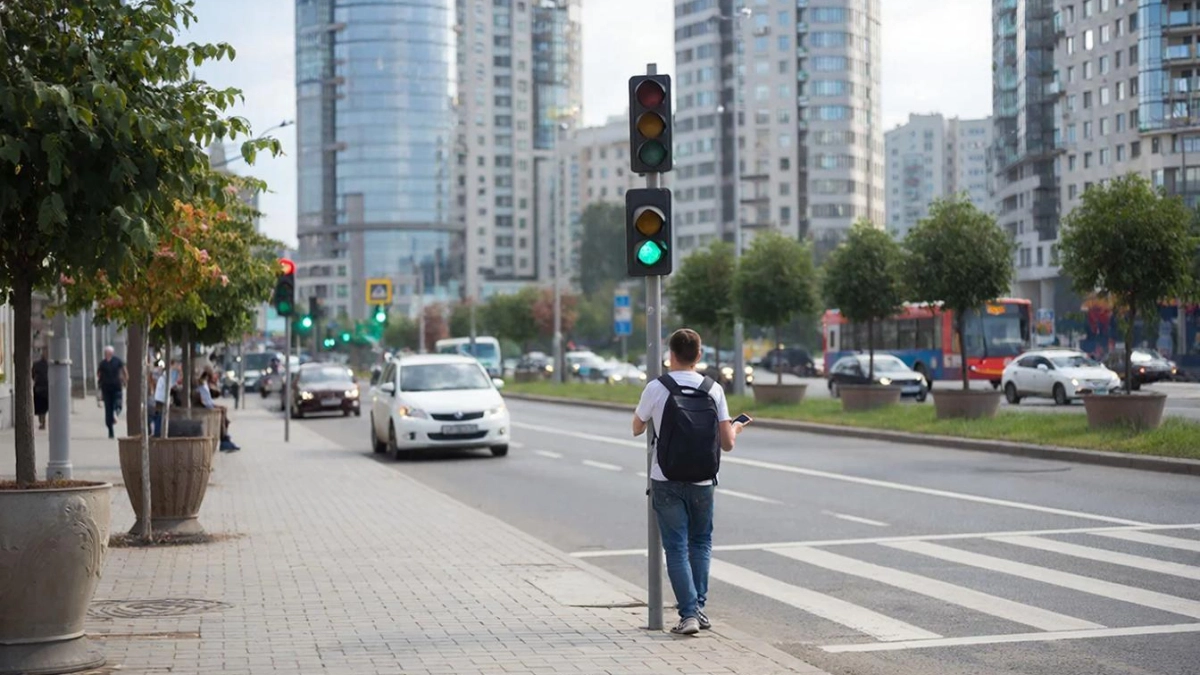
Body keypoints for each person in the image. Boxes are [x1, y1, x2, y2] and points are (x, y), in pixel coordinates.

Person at [632, 328, 746, 636]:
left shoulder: (657, 387)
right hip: (702, 480)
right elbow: (727, 444)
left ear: (671, 354)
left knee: (676, 548)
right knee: (700, 543)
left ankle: (689, 614)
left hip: (666, 478)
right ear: (698, 355)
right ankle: (699, 610)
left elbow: (636, 427)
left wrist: (650, 415)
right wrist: (735, 428)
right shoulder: (714, 389)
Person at [196, 367, 240, 452]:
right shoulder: (202, 385)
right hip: (207, 407)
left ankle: (225, 433)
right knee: (222, 411)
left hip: (208, 404)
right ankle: (224, 438)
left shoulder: (205, 384)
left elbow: (213, 395)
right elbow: (207, 401)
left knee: (224, 410)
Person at [96, 345, 127, 439]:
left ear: (112, 353)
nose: (107, 354)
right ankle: (110, 430)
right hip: (106, 388)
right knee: (108, 409)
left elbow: (124, 370)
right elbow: (99, 374)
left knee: (118, 403)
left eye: (108, 353)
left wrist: (125, 379)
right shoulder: (103, 363)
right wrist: (99, 384)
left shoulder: (117, 361)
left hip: (116, 386)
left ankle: (116, 413)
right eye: (106, 353)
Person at [32, 350, 49, 430]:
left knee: (40, 407)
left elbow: (32, 375)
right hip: (46, 389)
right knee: (44, 407)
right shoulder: (49, 365)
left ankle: (42, 421)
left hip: (38, 388)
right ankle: (43, 421)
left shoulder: (36, 365)